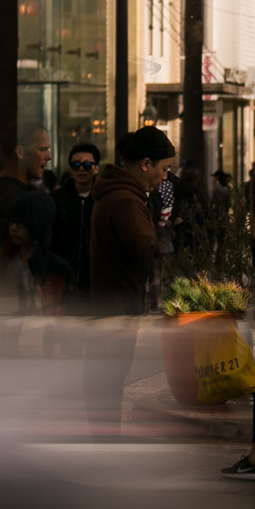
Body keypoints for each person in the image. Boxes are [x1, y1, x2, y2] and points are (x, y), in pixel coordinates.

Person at [83, 127, 174, 437]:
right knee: (109, 378)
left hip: (113, 302)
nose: (165, 177)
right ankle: (106, 443)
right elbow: (145, 250)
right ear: (145, 164)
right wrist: (167, 250)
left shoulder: (119, 194)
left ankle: (105, 441)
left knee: (106, 379)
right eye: (164, 169)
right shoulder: (125, 201)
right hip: (118, 304)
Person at [0, 125, 52, 306]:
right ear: (20, 152)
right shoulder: (8, 193)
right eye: (42, 149)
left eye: (48, 150)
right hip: (9, 292)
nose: (48, 157)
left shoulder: (5, 188)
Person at [6, 190, 73, 316]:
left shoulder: (57, 269)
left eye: (20, 223)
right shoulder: (12, 265)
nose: (13, 228)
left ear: (36, 225)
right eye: (11, 222)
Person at [51, 142, 99, 311]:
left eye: (87, 165)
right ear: (70, 168)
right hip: (63, 280)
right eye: (76, 165)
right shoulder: (58, 198)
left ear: (96, 168)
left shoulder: (103, 199)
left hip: (96, 282)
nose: (81, 170)